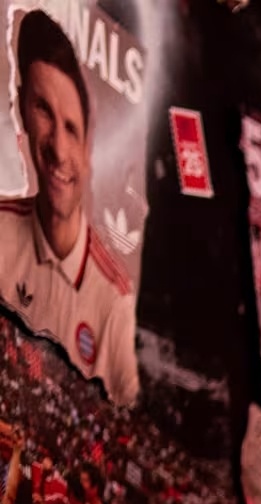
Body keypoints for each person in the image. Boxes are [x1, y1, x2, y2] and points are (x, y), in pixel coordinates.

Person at [0, 10, 137, 404]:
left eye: (72, 129)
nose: (58, 150)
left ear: (88, 145)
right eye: (43, 110)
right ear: (22, 111)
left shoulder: (115, 304)